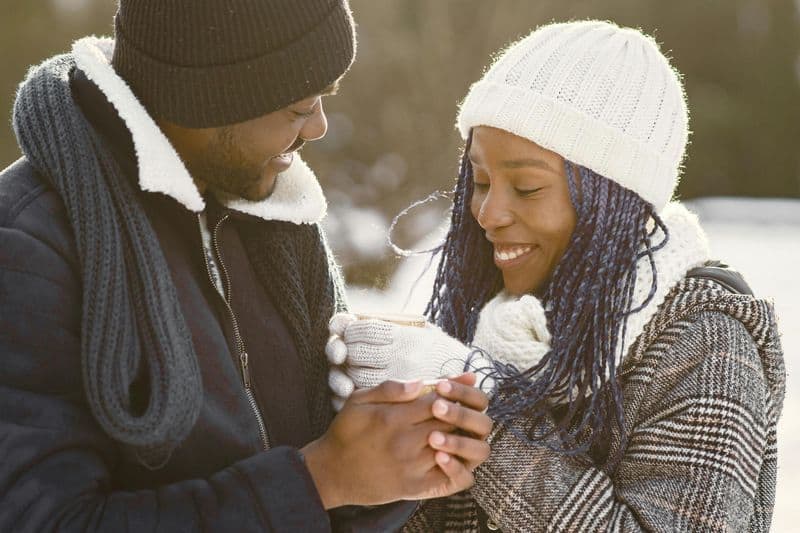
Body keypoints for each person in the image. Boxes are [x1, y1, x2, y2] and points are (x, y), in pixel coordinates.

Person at [0, 1, 493, 531]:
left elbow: (330, 485)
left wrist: (402, 450)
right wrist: (318, 479)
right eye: (299, 107)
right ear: (210, 96)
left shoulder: (274, 213)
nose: (320, 127)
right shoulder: (30, 244)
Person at [328, 20, 785, 531]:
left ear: (612, 201)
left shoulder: (703, 343)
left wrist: (477, 408)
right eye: (479, 180)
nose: (488, 212)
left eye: (526, 188)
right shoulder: (492, 316)